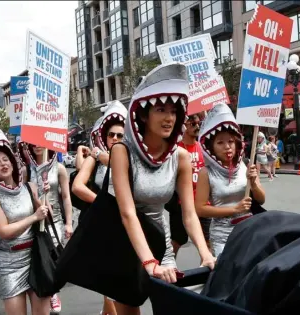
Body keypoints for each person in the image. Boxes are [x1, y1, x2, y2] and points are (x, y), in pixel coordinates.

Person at [109, 63, 215, 314]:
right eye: (160, 110)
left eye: (174, 111)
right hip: (126, 244)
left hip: (161, 243)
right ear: (144, 115)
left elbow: (189, 213)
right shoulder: (121, 152)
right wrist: (148, 261)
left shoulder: (180, 157)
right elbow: (127, 213)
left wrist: (205, 253)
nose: (169, 118)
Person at [0, 124, 50, 315]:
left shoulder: (30, 187)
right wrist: (34, 216)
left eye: (5, 159)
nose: (3, 164)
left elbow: (44, 218)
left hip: (36, 257)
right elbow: (3, 231)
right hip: (10, 262)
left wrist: (44, 196)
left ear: (12, 160)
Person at [72, 100, 127, 315]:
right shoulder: (96, 157)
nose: (114, 138)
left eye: (120, 135)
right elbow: (78, 186)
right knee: (110, 278)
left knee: (124, 283)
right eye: (111, 134)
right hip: (105, 224)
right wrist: (104, 203)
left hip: (129, 225)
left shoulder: (132, 159)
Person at [195, 103, 266, 258]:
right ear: (211, 147)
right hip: (222, 237)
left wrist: (253, 183)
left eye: (231, 142)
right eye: (220, 142)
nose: (227, 147)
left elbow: (261, 200)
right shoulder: (205, 173)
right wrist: (235, 210)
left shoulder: (245, 165)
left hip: (248, 231)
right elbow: (200, 209)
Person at [26, 143, 73, 314]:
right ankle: (47, 293)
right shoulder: (26, 169)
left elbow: (66, 197)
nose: (37, 147)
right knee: (41, 257)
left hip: (56, 221)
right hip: (36, 220)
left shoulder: (59, 168)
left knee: (54, 258)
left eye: (40, 143)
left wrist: (69, 223)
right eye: (33, 144)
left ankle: (53, 292)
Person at [165, 113, 211, 255]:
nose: (197, 127)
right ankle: (167, 268)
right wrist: (182, 170)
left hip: (203, 204)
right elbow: (165, 175)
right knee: (177, 241)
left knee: (208, 244)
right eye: (193, 124)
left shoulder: (203, 148)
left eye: (198, 124)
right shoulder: (175, 149)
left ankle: (206, 273)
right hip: (182, 204)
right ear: (184, 126)